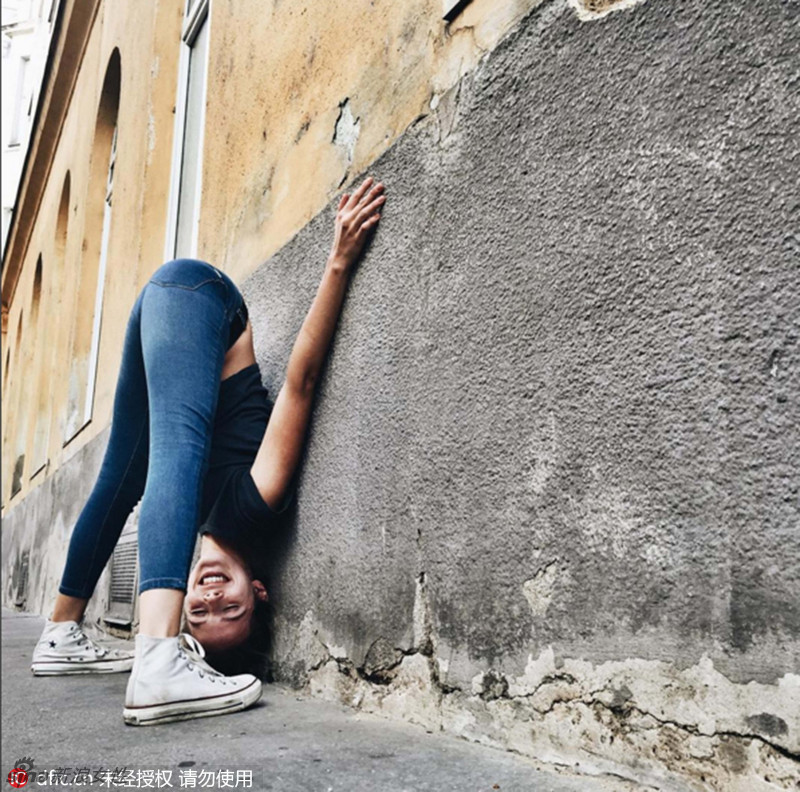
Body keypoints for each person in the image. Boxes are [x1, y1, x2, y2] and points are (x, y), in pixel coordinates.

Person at [30, 177, 386, 725]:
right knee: (177, 445)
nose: (210, 598)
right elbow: (301, 383)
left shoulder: (188, 528)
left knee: (120, 480)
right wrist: (339, 261)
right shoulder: (257, 503)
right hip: (205, 298)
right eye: (232, 608)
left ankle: (60, 632)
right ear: (259, 591)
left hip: (161, 306)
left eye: (197, 614)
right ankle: (157, 662)